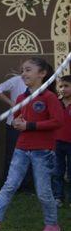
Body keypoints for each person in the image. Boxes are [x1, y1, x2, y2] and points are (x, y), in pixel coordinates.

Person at [0, 58, 62, 231]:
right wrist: (17, 122)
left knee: (43, 191)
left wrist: (30, 126)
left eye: (28, 70)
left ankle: (52, 225)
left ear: (42, 74)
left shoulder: (50, 98)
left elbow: (58, 121)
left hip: (42, 151)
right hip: (22, 149)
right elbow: (17, 117)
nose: (23, 73)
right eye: (22, 70)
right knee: (9, 186)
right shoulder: (21, 98)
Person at [0, 72, 31, 189]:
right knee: (12, 155)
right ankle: (9, 185)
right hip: (13, 124)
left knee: (30, 155)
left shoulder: (39, 82)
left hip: (31, 125)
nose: (27, 72)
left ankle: (27, 186)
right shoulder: (16, 80)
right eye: (25, 69)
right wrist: (11, 103)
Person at [52, 75, 71, 207]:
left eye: (66, 86)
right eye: (61, 86)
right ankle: (58, 197)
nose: (63, 89)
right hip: (56, 142)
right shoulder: (55, 103)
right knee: (57, 171)